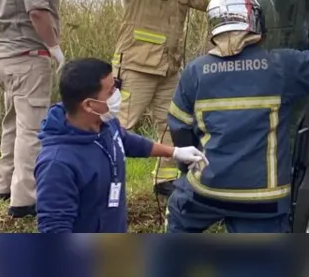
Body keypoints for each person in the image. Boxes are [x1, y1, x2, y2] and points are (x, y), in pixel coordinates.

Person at [164, 0, 309, 233]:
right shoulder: (282, 66)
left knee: (179, 216)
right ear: (256, 24)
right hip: (263, 200)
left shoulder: (195, 72)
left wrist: (189, 168)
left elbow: (179, 127)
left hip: (207, 191)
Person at [111, 0, 252, 197]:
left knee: (172, 125)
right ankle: (101, 177)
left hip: (168, 68)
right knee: (120, 126)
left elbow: (206, 2)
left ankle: (165, 180)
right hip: (137, 66)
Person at [35, 58, 206, 233]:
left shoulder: (105, 122)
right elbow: (54, 228)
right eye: (110, 92)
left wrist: (174, 152)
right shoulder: (57, 164)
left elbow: (125, 140)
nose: (118, 94)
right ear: (88, 105)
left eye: (116, 84)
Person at [0, 0, 72, 218]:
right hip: (28, 56)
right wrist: (54, 48)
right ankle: (26, 197)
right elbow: (38, 13)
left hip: (4, 56)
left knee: (12, 120)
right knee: (33, 125)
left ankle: (5, 184)